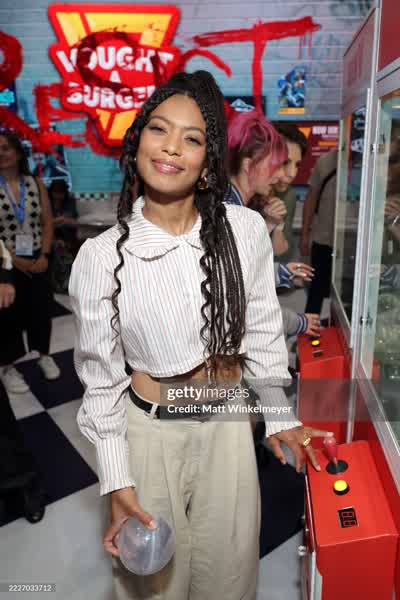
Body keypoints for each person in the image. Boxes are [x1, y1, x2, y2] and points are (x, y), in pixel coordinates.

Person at [69, 71, 332, 600]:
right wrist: (118, 482)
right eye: (159, 129)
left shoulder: (244, 230)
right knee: (153, 582)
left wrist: (277, 413)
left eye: (191, 138)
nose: (171, 147)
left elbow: (261, 327)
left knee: (229, 574)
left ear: (209, 160)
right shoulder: (101, 256)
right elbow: (101, 381)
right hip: (150, 434)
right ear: (137, 143)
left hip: (228, 425)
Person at [0, 131, 60, 394]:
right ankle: (7, 366)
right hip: (5, 261)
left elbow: (47, 221)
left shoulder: (34, 183)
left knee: (41, 309)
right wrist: (15, 261)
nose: (2, 153)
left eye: (6, 148)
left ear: (17, 152)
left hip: (38, 256)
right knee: (7, 315)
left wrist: (44, 255)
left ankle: (44, 355)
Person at [226, 110, 290, 256]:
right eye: (274, 166)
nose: (282, 175)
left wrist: (272, 223)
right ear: (248, 165)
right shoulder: (229, 211)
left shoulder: (234, 204)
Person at [299, 147, 338, 314]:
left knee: (347, 294)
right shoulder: (325, 161)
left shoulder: (370, 162)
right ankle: (309, 327)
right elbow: (311, 199)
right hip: (323, 239)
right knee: (316, 291)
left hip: (355, 242)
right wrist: (304, 234)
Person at [271, 122, 308, 262]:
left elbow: (282, 252)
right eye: (285, 162)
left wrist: (277, 224)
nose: (292, 173)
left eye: (297, 165)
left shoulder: (289, 195)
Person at [48, 179, 79, 293]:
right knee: (57, 250)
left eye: (60, 193)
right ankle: (59, 283)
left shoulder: (70, 202)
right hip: (50, 238)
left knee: (65, 252)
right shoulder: (46, 202)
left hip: (68, 237)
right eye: (55, 193)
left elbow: (73, 221)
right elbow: (45, 223)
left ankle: (66, 282)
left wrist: (62, 221)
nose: (58, 196)